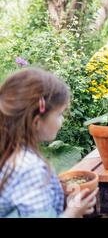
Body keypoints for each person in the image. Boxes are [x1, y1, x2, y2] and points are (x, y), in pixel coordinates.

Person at [0, 68, 98, 218]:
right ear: (37, 122)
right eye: (59, 114)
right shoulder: (30, 169)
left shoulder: (9, 153)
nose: (62, 120)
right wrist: (73, 213)